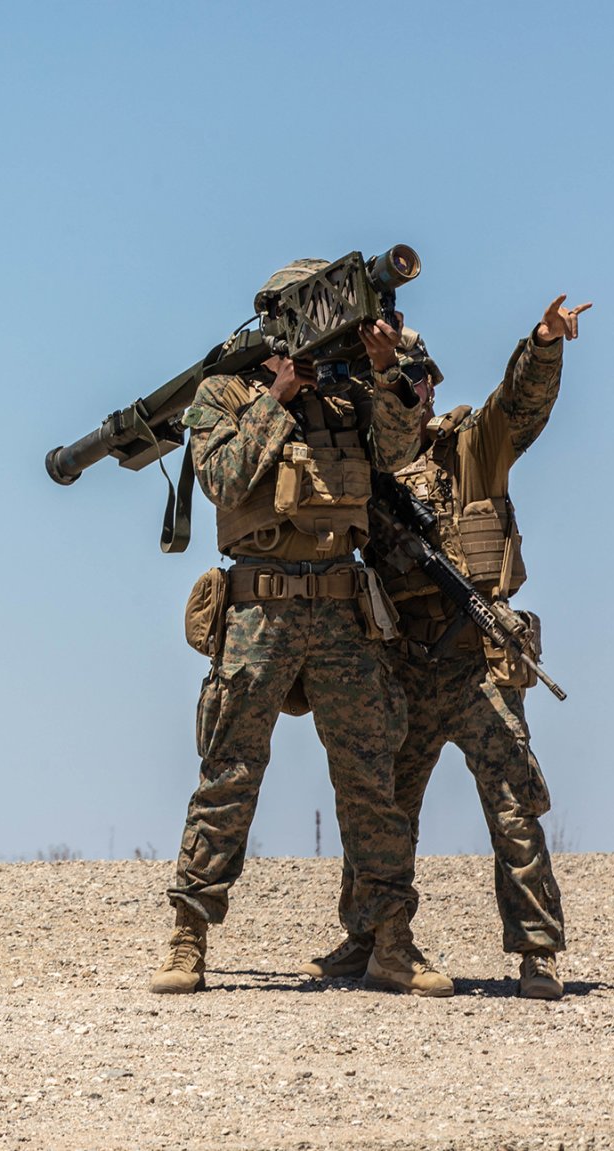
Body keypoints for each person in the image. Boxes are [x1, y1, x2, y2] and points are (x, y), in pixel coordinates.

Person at [152, 258, 450, 997]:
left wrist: (387, 374)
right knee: (230, 771)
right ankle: (189, 934)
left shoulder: (350, 395)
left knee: (371, 778)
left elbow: (400, 454)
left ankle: (390, 939)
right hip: (259, 609)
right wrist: (278, 396)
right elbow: (222, 479)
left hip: (344, 610)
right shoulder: (224, 391)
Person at [304, 295, 591, 1000]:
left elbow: (520, 405)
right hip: (405, 661)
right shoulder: (365, 466)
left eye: (421, 376)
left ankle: (537, 950)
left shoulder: (470, 447)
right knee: (382, 809)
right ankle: (370, 935)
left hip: (477, 662)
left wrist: (543, 344)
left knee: (513, 805)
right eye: (402, 376)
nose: (417, 387)